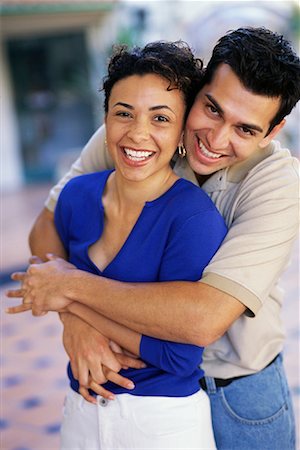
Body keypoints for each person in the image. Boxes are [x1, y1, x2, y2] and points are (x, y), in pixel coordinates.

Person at [7, 27, 300, 449]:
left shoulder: (276, 183)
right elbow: (46, 228)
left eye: (246, 129)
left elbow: (202, 320)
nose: (217, 140)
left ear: (272, 131)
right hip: (138, 388)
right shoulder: (142, 130)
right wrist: (76, 324)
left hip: (237, 390)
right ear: (197, 91)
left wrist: (69, 290)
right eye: (213, 110)